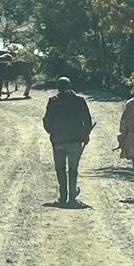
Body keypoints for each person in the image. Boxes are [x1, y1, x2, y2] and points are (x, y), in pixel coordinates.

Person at [43, 77, 94, 207]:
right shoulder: (79, 101)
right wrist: (85, 135)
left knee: (60, 169)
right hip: (75, 141)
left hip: (58, 141)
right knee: (73, 169)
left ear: (58, 88)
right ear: (70, 86)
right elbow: (87, 120)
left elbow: (47, 120)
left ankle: (63, 196)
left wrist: (51, 131)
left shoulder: (53, 101)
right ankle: (72, 195)